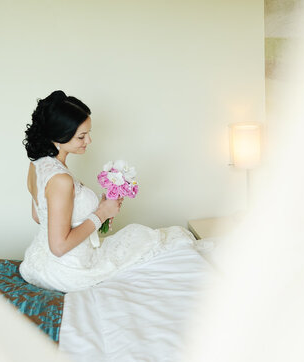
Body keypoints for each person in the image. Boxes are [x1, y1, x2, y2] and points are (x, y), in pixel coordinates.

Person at [19, 90, 196, 292]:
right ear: (58, 137)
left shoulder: (37, 165)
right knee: (151, 239)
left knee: (143, 238)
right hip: (68, 272)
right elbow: (59, 247)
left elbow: (39, 216)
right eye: (82, 136)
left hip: (36, 263)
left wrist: (93, 213)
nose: (89, 141)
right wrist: (102, 213)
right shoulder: (61, 179)